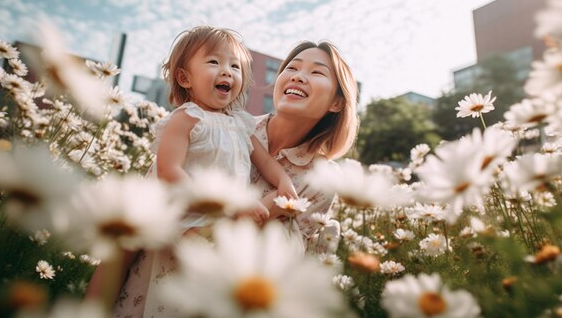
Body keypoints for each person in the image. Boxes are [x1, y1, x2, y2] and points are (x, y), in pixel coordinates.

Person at [86, 25, 297, 316]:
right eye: (214, 62)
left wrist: (284, 180)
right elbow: (169, 169)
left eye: (235, 66)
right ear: (184, 78)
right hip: (178, 201)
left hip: (214, 217)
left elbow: (266, 162)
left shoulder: (241, 124)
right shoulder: (185, 118)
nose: (227, 71)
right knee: (120, 254)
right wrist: (227, 204)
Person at [251, 41, 359, 252]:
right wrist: (268, 211)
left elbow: (284, 258)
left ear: (336, 104)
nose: (297, 76)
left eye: (317, 72)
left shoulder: (323, 178)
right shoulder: (233, 127)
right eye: (292, 67)